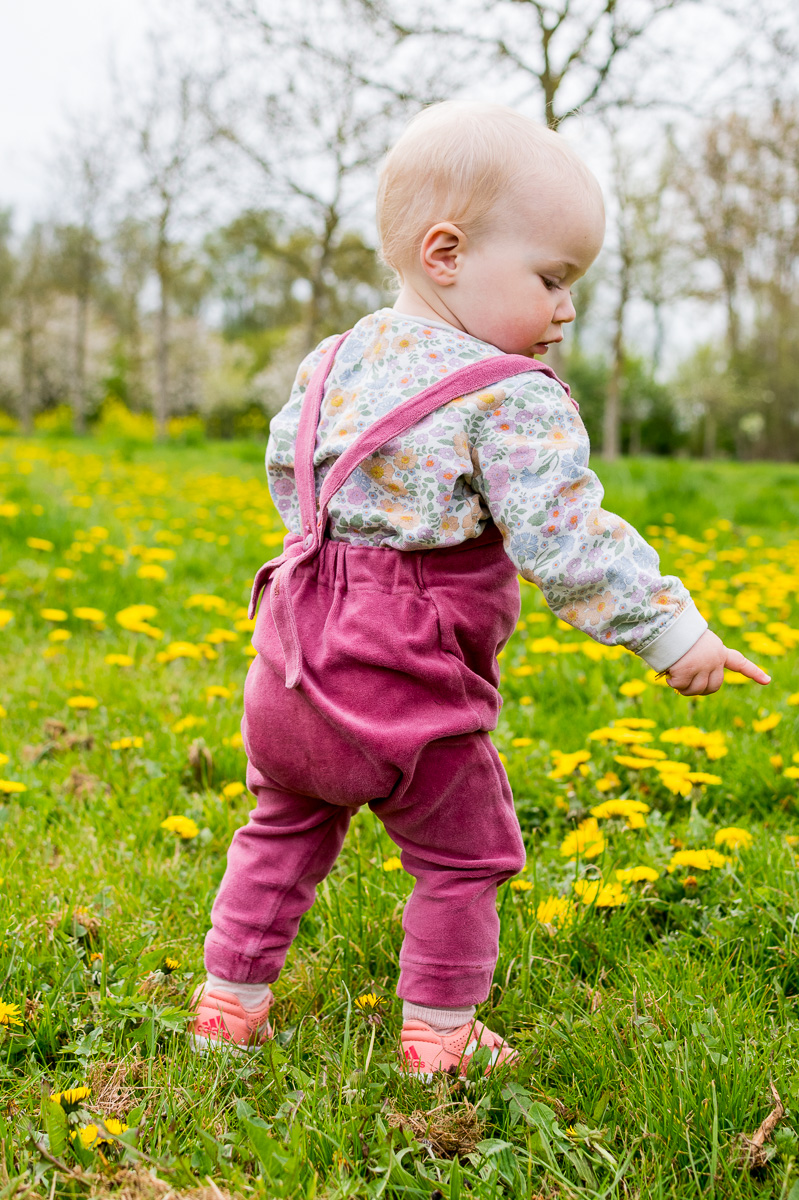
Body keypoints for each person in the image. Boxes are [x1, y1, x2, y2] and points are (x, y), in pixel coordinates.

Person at [189, 102, 770, 1074]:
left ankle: (228, 1002)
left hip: (289, 662)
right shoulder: (508, 395)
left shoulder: (331, 360)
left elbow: (294, 479)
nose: (564, 309)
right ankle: (440, 1036)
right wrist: (673, 635)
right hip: (403, 683)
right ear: (446, 254)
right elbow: (566, 537)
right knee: (462, 854)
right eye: (551, 278)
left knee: (281, 828)